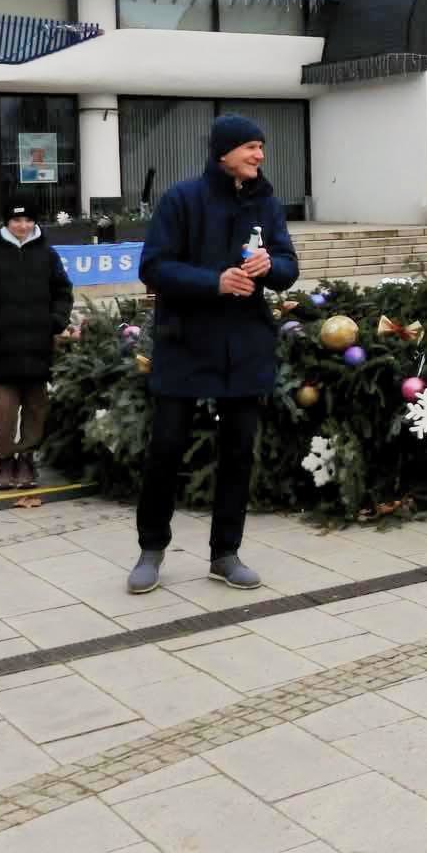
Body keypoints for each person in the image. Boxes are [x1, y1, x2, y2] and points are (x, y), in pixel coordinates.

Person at [128, 115, 298, 596]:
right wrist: (214, 282)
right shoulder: (182, 199)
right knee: (165, 449)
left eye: (261, 146)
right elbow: (154, 267)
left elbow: (289, 267)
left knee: (238, 453)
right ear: (224, 152)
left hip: (245, 346)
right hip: (185, 343)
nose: (260, 155)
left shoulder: (266, 202)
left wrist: (271, 265)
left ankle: (225, 554)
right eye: (250, 146)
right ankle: (150, 549)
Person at [0, 205, 72, 491]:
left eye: (28, 220)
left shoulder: (47, 253)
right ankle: (5, 459)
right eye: (17, 220)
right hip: (0, 348)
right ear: (7, 222)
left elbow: (62, 290)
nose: (23, 225)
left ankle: (27, 458)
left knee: (36, 407)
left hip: (38, 346)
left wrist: (56, 320)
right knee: (4, 410)